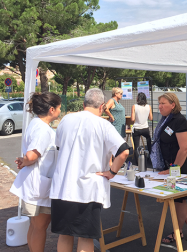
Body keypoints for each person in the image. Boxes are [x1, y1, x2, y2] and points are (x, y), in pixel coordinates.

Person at [50, 88, 130, 252]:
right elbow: (124, 151)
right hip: (87, 189)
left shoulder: (66, 120)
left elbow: (58, 147)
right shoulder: (103, 125)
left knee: (64, 235)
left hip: (62, 186)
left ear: (84, 103)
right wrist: (112, 172)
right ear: (102, 106)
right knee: (85, 237)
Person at [9, 92, 62, 252]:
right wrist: (25, 160)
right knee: (40, 226)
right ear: (52, 109)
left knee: (34, 225)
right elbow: (32, 154)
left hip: (35, 183)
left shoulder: (35, 123)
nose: (61, 110)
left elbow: (30, 155)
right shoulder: (43, 129)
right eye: (59, 107)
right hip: (39, 187)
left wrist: (24, 160)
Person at [151, 92, 187, 243]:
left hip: (181, 166)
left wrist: (173, 170)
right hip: (172, 165)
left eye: (163, 103)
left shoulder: (179, 121)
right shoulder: (165, 120)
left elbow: (184, 148)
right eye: (159, 104)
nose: (160, 106)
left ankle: (177, 233)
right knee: (178, 199)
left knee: (178, 199)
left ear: (173, 105)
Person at [131, 92, 153, 164]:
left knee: (137, 146)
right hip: (145, 128)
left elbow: (132, 119)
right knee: (149, 141)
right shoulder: (148, 106)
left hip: (137, 128)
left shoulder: (134, 106)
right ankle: (151, 158)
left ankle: (138, 162)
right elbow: (151, 118)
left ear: (138, 98)